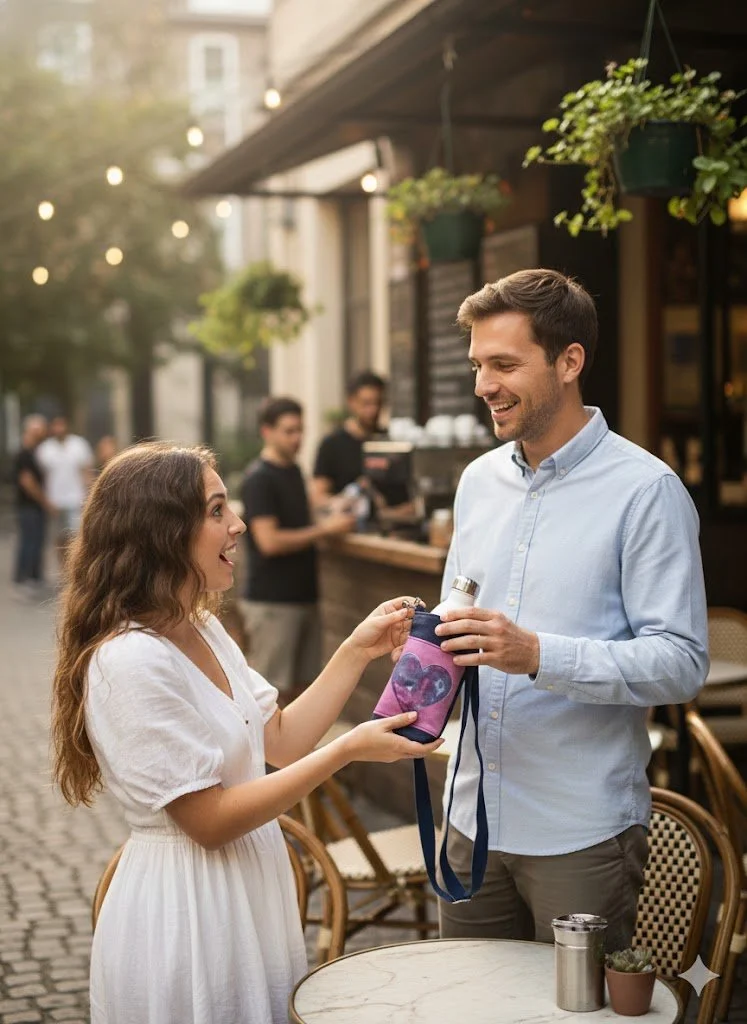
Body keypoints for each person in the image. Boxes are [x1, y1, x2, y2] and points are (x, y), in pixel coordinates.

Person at [50, 441, 442, 1024]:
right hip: (187, 909)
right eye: (215, 510)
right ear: (162, 530)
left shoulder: (202, 628)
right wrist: (348, 750)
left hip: (246, 893)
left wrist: (356, 649)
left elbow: (279, 738)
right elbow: (209, 822)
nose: (236, 526)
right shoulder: (130, 661)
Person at [431, 268, 708, 952]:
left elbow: (680, 663)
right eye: (476, 365)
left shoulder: (646, 491)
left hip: (578, 832)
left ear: (569, 361)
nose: (481, 386)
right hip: (469, 820)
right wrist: (421, 642)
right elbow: (458, 615)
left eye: (503, 364)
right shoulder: (476, 482)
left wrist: (536, 655)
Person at [239, 397, 355, 699]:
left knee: (305, 692)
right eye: (288, 431)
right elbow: (269, 541)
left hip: (305, 598)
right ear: (267, 431)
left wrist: (333, 510)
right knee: (270, 696)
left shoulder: (293, 472)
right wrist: (324, 530)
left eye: (300, 430)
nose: (297, 438)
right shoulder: (258, 479)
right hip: (272, 603)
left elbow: (300, 518)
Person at [312, 370, 412, 519]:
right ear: (351, 402)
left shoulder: (393, 443)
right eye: (366, 403)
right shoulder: (331, 445)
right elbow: (317, 497)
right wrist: (349, 501)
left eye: (378, 403)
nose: (373, 410)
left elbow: (411, 500)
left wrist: (387, 513)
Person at [36, 415, 94, 567]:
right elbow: (42, 477)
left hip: (76, 499)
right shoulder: (45, 449)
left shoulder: (79, 445)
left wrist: (89, 495)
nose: (59, 429)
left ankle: (75, 568)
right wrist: (46, 500)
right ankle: (63, 570)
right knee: (59, 538)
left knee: (76, 537)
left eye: (61, 425)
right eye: (56, 426)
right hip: (55, 501)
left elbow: (86, 472)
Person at [12, 414, 52, 596]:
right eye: (41, 428)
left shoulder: (36, 451)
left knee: (37, 541)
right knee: (29, 542)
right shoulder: (24, 453)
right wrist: (44, 501)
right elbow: (27, 481)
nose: (44, 432)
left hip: (35, 507)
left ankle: (35, 577)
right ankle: (22, 579)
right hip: (29, 506)